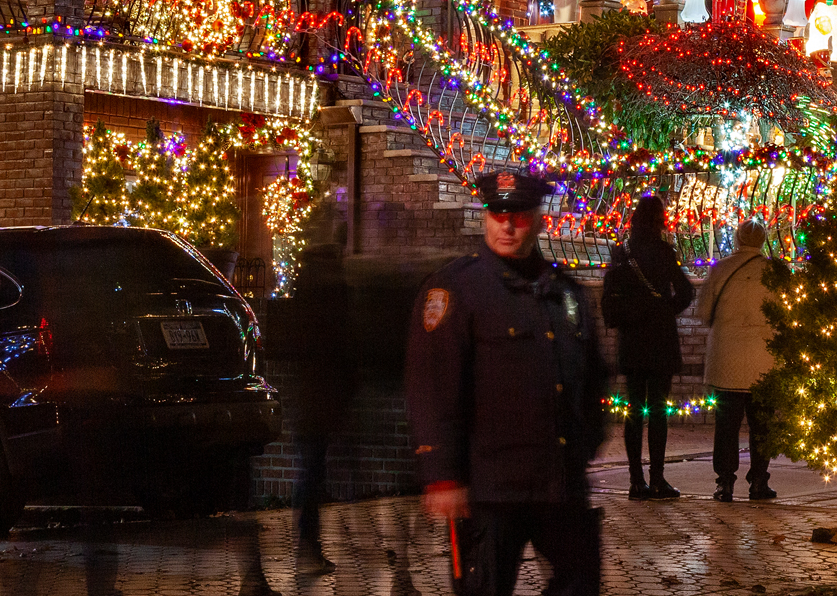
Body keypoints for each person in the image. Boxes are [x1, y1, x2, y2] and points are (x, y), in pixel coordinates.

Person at [405, 171, 607, 596]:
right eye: (498, 214)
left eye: (517, 214)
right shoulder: (457, 290)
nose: (507, 225)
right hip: (489, 489)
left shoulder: (564, 292)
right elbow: (432, 386)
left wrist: (585, 443)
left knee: (581, 584)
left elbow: (592, 377)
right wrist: (442, 475)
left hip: (558, 483)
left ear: (538, 219)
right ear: (486, 216)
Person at [602, 195, 696, 499]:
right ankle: (657, 479)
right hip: (659, 341)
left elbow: (610, 293)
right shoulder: (663, 252)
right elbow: (685, 291)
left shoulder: (622, 253)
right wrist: (666, 309)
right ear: (660, 220)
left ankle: (635, 480)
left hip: (631, 341)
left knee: (633, 411)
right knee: (657, 411)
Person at [287, 201, 358, 575]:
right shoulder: (326, 279)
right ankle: (307, 547)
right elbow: (334, 336)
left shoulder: (310, 276)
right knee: (313, 472)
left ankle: (309, 546)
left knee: (314, 470)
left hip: (316, 394)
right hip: (322, 394)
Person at [695, 221, 779, 503]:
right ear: (763, 240)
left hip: (725, 360)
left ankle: (725, 483)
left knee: (726, 427)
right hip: (765, 361)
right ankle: (758, 481)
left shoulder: (720, 268)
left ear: (737, 238)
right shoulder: (775, 272)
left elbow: (703, 311)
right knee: (761, 425)